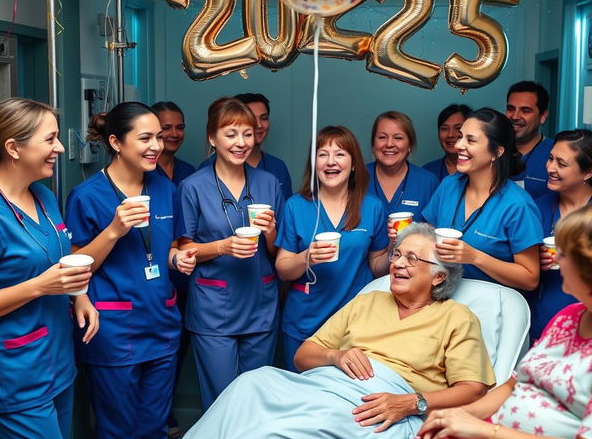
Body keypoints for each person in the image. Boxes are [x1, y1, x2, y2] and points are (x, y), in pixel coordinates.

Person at [91, 224, 496, 439]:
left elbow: (473, 389)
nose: (399, 264)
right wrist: (337, 355)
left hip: (382, 407)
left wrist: (412, 403)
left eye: (413, 259)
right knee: (250, 384)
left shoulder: (456, 318)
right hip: (328, 384)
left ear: (440, 277)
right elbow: (304, 355)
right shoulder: (371, 299)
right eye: (397, 254)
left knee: (276, 430)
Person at [326, 200, 592, 439]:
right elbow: (516, 383)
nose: (556, 260)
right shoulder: (569, 318)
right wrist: (457, 417)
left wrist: (484, 432)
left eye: (566, 254)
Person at [65, 102, 196, 439]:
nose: (157, 145)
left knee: (153, 430)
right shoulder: (87, 196)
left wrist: (176, 259)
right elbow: (73, 266)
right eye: (146, 138)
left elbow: (160, 249)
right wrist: (114, 229)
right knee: (117, 431)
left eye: (158, 137)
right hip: (113, 329)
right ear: (116, 143)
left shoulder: (164, 188)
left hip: (161, 323)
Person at [0, 98, 96, 439]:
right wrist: (40, 286)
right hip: (16, 373)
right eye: (50, 139)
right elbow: (41, 278)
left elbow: (59, 260)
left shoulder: (44, 197)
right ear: (14, 147)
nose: (59, 148)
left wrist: (79, 296)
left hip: (56, 361)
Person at [175, 97, 284, 410]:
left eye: (247, 134)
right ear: (212, 138)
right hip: (214, 308)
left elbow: (279, 251)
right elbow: (184, 249)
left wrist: (272, 231)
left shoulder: (269, 183)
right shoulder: (193, 187)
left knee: (255, 400)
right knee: (222, 402)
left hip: (260, 302)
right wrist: (223, 246)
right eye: (231, 134)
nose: (241, 143)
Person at [275, 125, 390, 370]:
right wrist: (307, 257)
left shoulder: (372, 207)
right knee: (302, 398)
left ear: (354, 163)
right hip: (305, 320)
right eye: (322, 154)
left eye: (340, 154)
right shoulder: (296, 205)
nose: (331, 162)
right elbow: (283, 269)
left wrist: (394, 249)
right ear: (314, 163)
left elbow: (377, 266)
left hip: (354, 323)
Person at [423, 108, 543, 290]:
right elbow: (427, 235)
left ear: (497, 152)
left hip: (491, 305)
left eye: (470, 140)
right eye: (460, 136)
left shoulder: (518, 205)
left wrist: (475, 257)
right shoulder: (449, 185)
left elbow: (530, 278)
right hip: (443, 299)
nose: (458, 145)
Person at [527, 129, 592, 343]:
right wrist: (534, 259)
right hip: (541, 323)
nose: (550, 168)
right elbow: (519, 264)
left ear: (588, 172)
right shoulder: (536, 208)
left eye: (561, 164)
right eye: (550, 158)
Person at [151, 100, 196, 439]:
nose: (173, 134)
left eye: (178, 126)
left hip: (185, 280)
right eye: (165, 127)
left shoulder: (189, 174)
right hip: (150, 284)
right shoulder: (142, 175)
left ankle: (162, 414)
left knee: (176, 351)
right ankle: (160, 417)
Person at [199, 93, 293, 200]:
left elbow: (285, 213)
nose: (258, 125)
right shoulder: (201, 176)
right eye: (251, 118)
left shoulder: (276, 169)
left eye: (264, 118)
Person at [367, 111, 438, 228]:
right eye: (382, 137)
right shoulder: (357, 178)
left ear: (410, 145)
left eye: (398, 138)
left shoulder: (428, 182)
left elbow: (433, 234)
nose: (389, 144)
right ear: (373, 144)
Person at [506, 80, 553, 200]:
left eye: (525, 110)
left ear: (543, 116)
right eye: (511, 109)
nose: (515, 116)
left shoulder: (555, 155)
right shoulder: (494, 151)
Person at [422, 104, 471, 183]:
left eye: (458, 128)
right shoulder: (427, 172)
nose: (450, 135)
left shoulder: (481, 172)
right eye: (444, 129)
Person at [151, 101, 195, 185]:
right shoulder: (142, 172)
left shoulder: (188, 171)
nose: (175, 134)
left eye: (180, 128)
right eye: (166, 128)